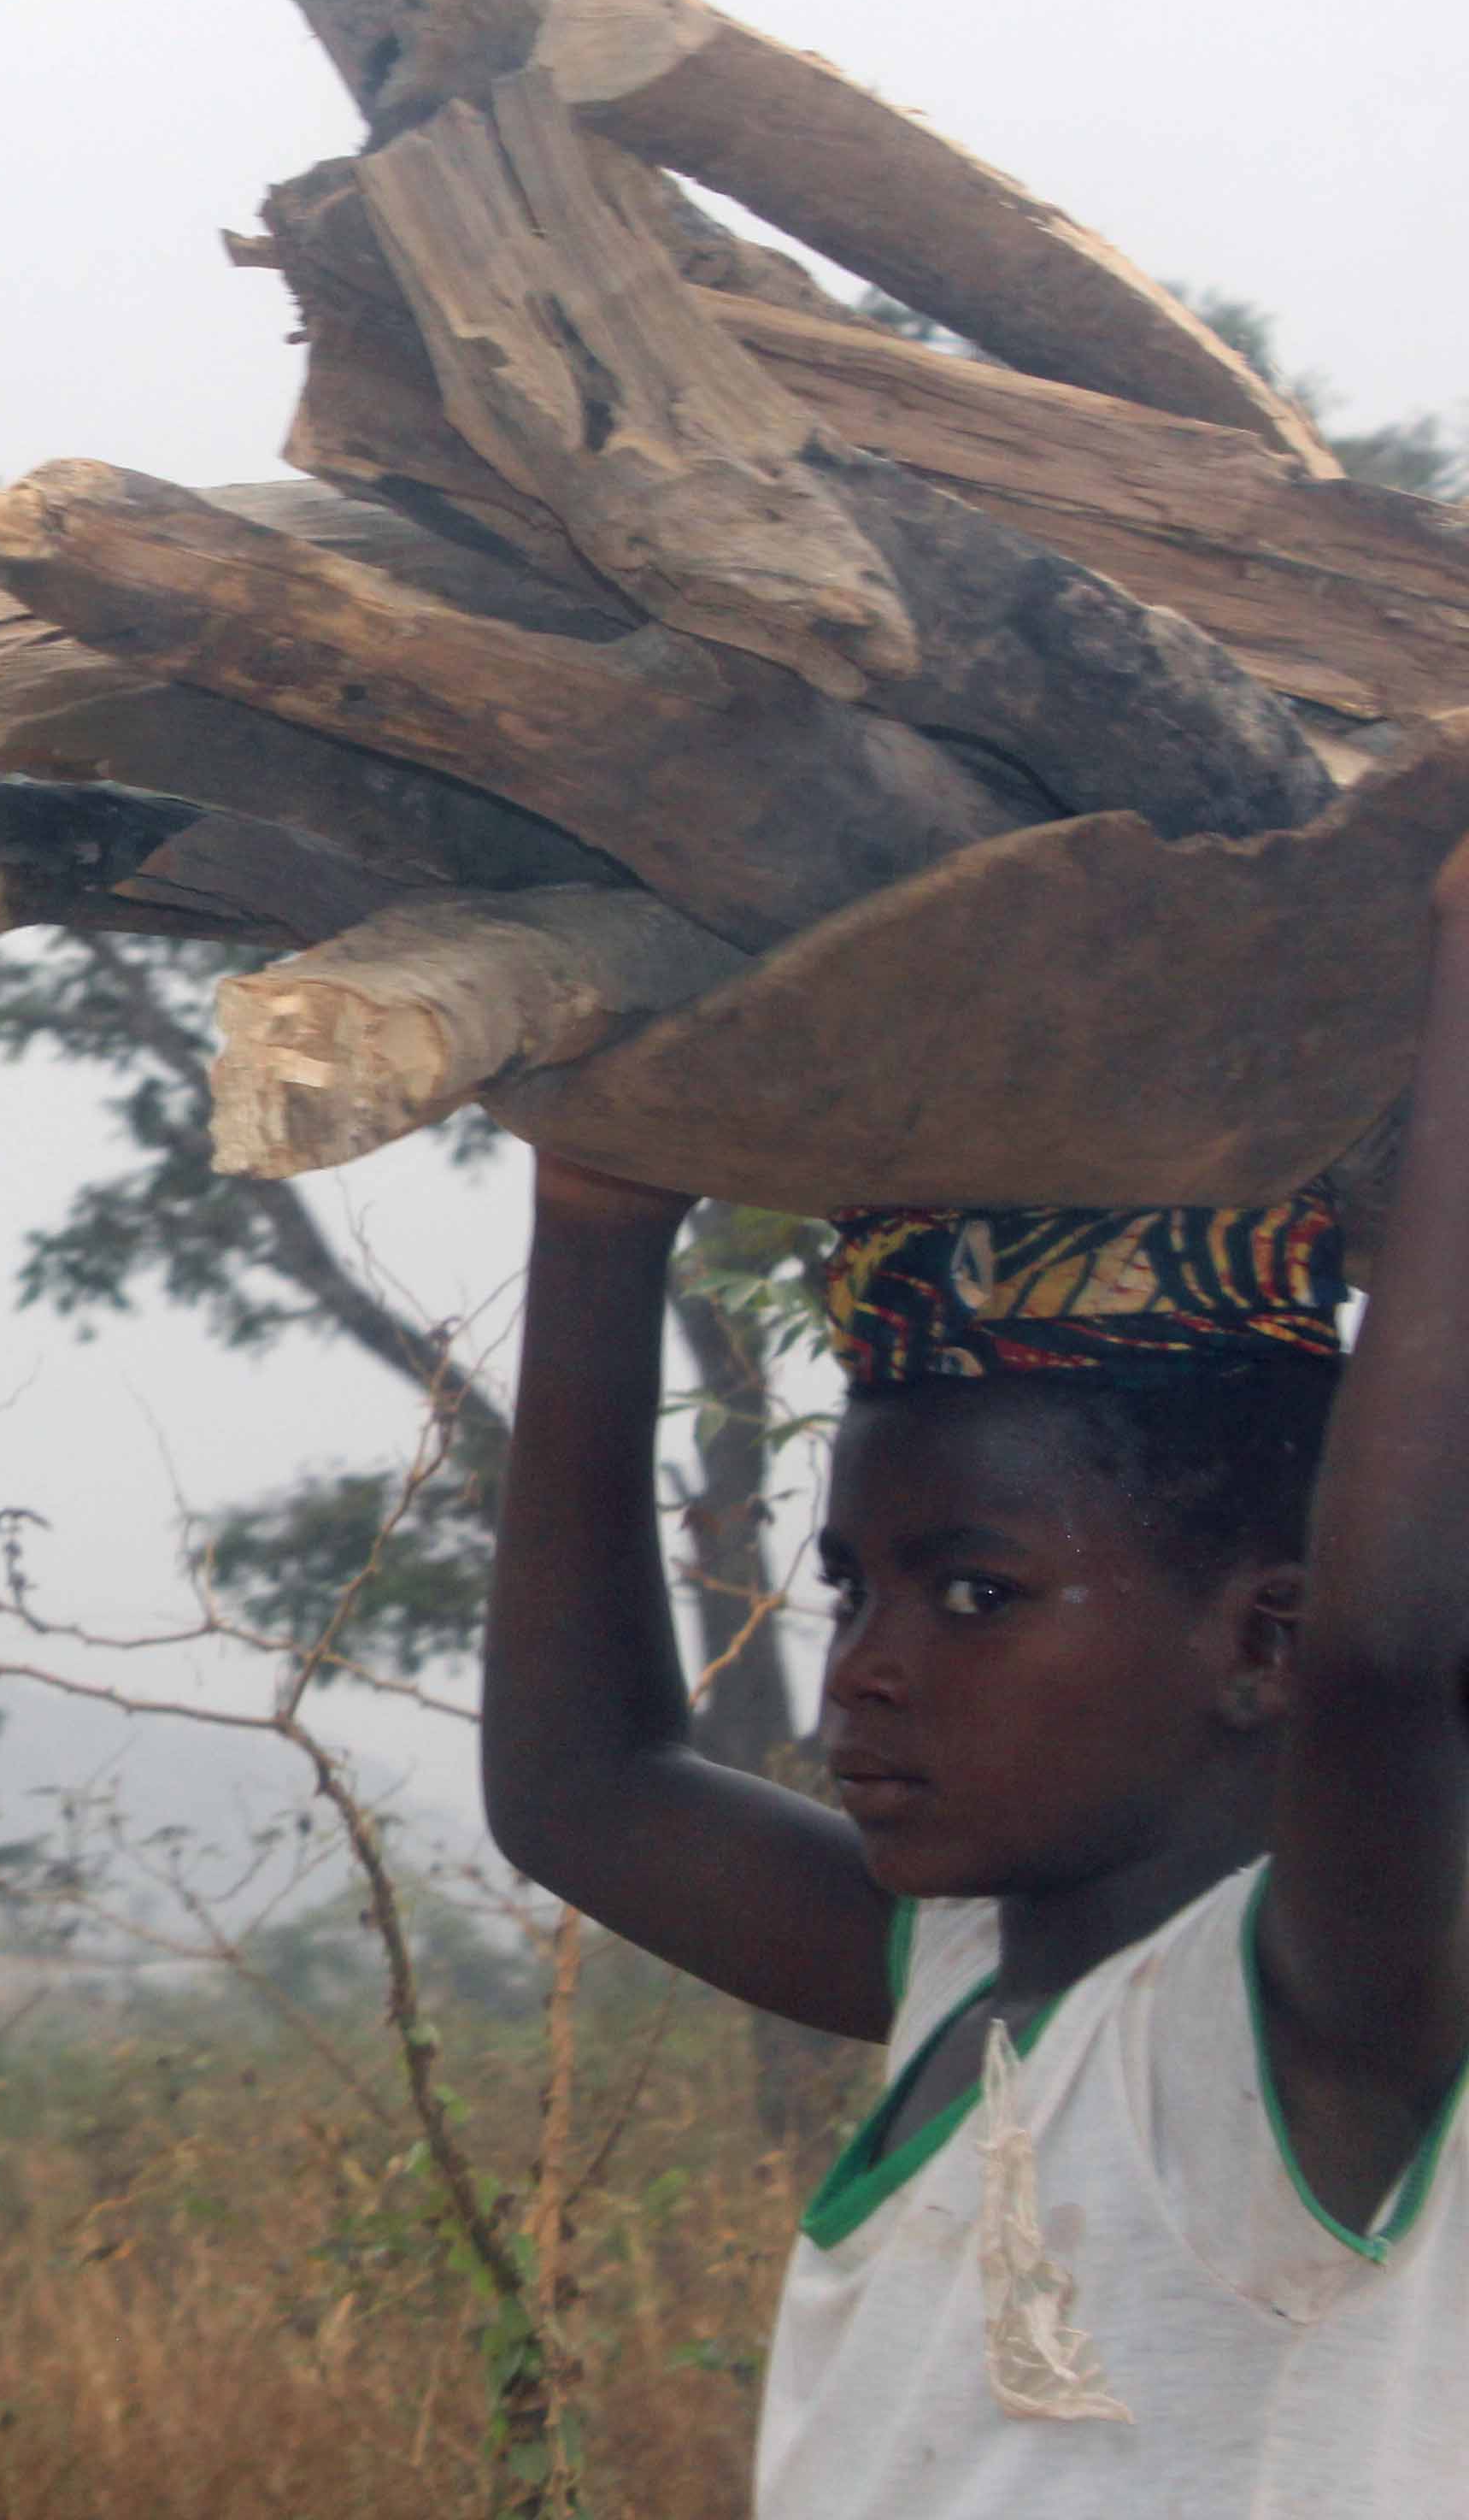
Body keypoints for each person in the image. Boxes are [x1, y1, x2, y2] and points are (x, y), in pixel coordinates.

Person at [483, 844, 1469, 2511]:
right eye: (853, 1587)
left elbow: (1392, 1662)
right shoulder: (963, 1977)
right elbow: (579, 1790)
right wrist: (599, 1210)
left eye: (975, 1592)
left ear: (1264, 1642)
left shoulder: (1309, 2019)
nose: (864, 1673)